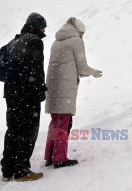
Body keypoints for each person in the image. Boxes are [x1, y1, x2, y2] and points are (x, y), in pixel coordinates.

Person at [44, 18, 102, 169]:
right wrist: (94, 72)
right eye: (82, 33)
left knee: (55, 122)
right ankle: (59, 158)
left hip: (52, 87)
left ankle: (50, 156)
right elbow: (82, 68)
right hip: (65, 89)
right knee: (64, 123)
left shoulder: (56, 42)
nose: (82, 36)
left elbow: (69, 66)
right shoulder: (76, 41)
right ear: (78, 31)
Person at [1, 13, 47, 182]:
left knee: (13, 130)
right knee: (28, 132)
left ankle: (7, 169)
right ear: (36, 26)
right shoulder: (34, 41)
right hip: (27, 94)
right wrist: (40, 90)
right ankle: (22, 170)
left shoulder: (14, 41)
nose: (44, 30)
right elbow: (36, 69)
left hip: (12, 94)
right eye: (43, 26)